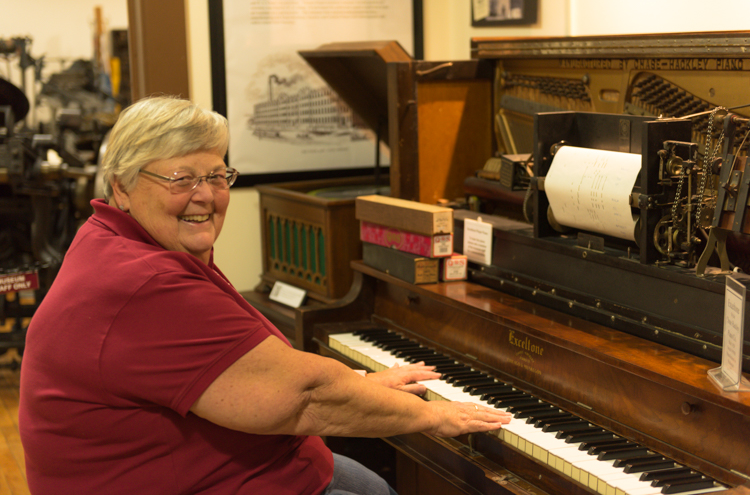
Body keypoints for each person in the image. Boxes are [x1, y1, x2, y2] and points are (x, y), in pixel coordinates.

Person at [18, 96, 512, 495]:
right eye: (181, 178)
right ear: (122, 186)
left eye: (216, 175)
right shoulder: (143, 283)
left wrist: (362, 385)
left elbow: (246, 377)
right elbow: (302, 396)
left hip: (244, 464)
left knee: (369, 482)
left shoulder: (112, 236)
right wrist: (434, 414)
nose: (205, 194)